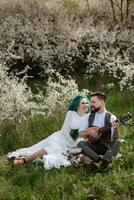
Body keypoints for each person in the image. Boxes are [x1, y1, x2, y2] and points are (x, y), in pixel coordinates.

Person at [6, 94, 91, 170]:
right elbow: (64, 130)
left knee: (55, 155)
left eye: (86, 103)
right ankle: (24, 160)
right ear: (77, 105)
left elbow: (87, 134)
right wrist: (70, 144)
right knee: (51, 147)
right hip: (61, 138)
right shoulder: (71, 114)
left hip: (76, 142)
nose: (85, 105)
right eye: (82, 103)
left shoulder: (89, 116)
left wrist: (75, 145)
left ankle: (24, 159)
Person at [78, 91, 122, 170]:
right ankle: (101, 161)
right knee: (80, 143)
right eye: (90, 102)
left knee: (119, 142)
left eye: (93, 102)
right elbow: (80, 133)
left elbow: (116, 138)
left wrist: (116, 128)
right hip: (94, 147)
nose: (91, 104)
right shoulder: (89, 116)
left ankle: (99, 164)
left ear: (101, 102)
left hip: (107, 147)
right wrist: (89, 133)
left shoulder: (112, 117)